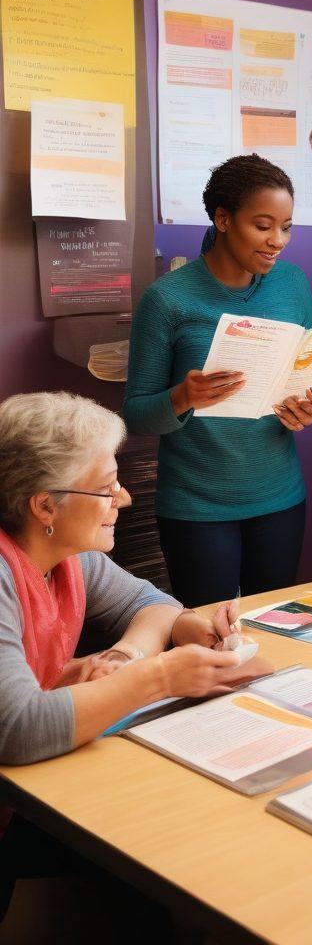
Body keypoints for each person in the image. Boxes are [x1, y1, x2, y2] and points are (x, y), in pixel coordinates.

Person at [0, 391, 267, 929]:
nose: (122, 499)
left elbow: (155, 605)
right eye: (105, 488)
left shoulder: (67, 559)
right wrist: (158, 674)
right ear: (45, 506)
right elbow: (20, 730)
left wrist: (127, 655)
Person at [123, 154, 312, 605]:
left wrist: (304, 410)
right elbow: (136, 415)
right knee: (208, 639)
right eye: (264, 225)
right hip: (197, 505)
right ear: (223, 218)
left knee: (276, 631)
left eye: (286, 227)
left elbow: (299, 378)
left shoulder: (293, 285)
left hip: (280, 497)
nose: (278, 241)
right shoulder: (167, 300)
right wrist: (181, 396)